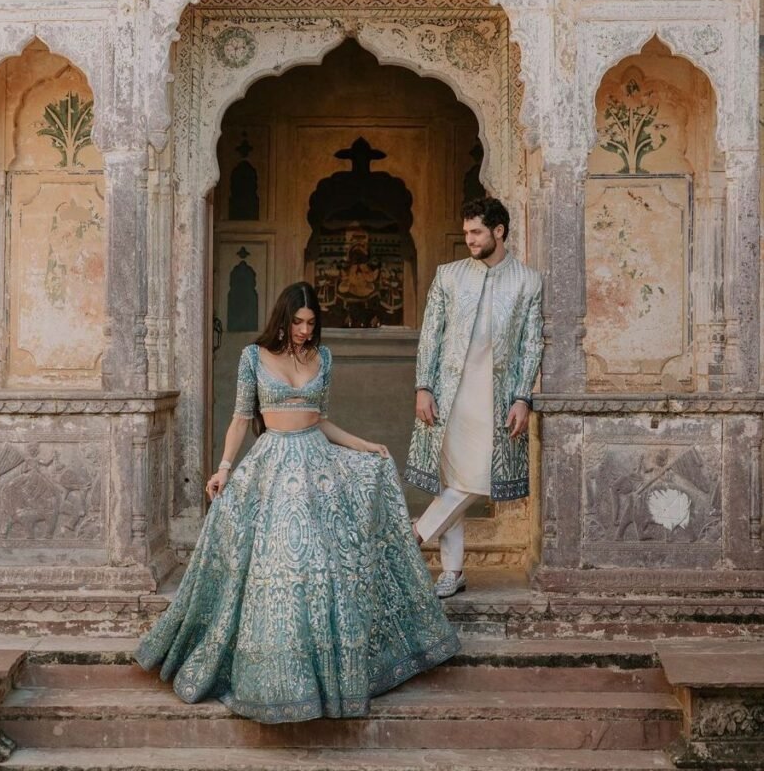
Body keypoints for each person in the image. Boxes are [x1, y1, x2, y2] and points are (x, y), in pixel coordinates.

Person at [135, 281, 458, 722]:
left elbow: (321, 420)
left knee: (323, 566)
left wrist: (364, 444)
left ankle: (326, 677)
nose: (305, 330)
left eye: (311, 323)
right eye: (298, 322)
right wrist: (225, 467)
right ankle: (277, 678)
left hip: (317, 463)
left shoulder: (322, 358)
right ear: (282, 319)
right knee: (280, 569)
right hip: (272, 464)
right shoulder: (253, 357)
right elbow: (240, 419)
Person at [406, 197, 544, 598]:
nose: (468, 238)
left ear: (498, 231)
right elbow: (430, 335)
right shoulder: (448, 276)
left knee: (477, 478)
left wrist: (522, 397)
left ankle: (414, 536)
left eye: (476, 232)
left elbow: (531, 344)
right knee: (451, 482)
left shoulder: (527, 281)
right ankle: (452, 572)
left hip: (496, 400)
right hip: (450, 397)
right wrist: (423, 387)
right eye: (466, 232)